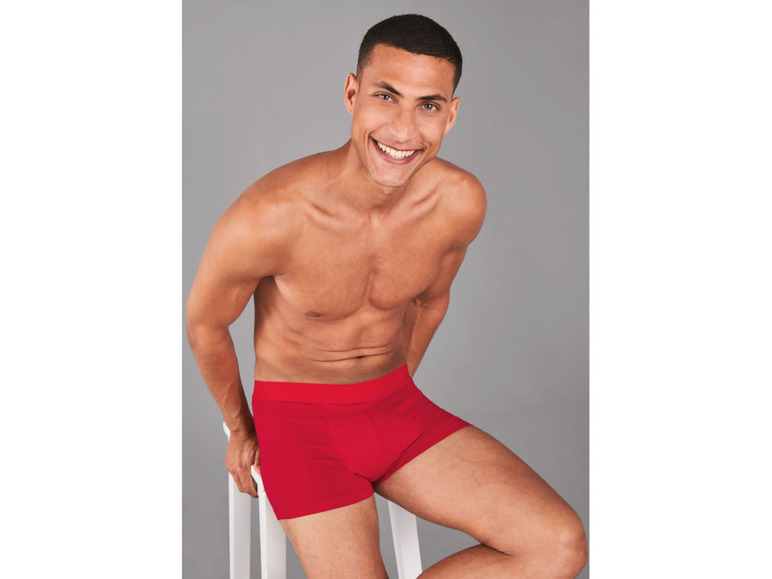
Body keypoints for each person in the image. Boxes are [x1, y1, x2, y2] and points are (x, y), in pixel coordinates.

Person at [186, 13, 587, 578]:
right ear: (352, 93)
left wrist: (400, 385)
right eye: (386, 96)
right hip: (298, 425)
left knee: (558, 546)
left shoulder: (458, 202)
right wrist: (240, 427)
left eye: (428, 105)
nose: (403, 130)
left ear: (451, 114)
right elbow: (204, 322)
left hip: (394, 408)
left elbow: (431, 301)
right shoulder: (271, 215)